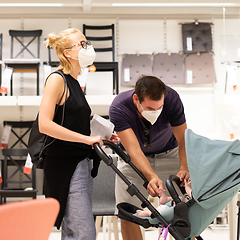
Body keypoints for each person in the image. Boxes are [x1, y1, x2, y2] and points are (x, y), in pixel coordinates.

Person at [38, 28, 119, 240]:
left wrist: (107, 133)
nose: (87, 47)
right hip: (65, 165)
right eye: (82, 44)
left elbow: (86, 117)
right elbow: (44, 124)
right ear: (67, 52)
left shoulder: (75, 82)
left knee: (74, 230)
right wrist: (86, 139)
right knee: (84, 232)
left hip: (81, 161)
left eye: (87, 43)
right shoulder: (57, 79)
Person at [109, 75, 190, 240]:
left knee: (186, 208)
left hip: (170, 153)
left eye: (159, 107)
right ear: (136, 99)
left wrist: (184, 167)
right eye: (150, 109)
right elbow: (134, 150)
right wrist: (151, 176)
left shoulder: (172, 99)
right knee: (127, 212)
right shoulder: (119, 107)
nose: (156, 113)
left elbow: (184, 139)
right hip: (133, 160)